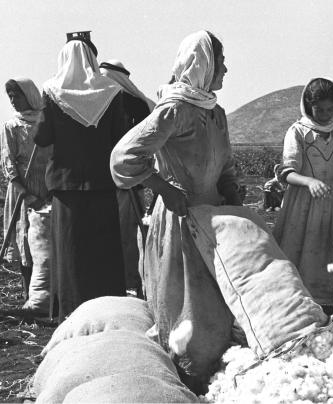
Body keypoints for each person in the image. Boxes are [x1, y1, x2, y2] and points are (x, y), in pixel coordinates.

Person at [111, 31, 240, 392]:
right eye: (221, 60)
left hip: (212, 219)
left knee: (216, 305)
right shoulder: (175, 111)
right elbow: (124, 157)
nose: (226, 68)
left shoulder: (216, 113)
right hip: (180, 221)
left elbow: (225, 163)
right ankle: (180, 384)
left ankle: (211, 378)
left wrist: (230, 191)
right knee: (187, 309)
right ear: (204, 64)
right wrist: (164, 188)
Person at [33, 36, 129, 322]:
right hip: (101, 182)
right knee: (102, 248)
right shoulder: (111, 91)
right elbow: (120, 137)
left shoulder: (52, 92)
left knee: (70, 251)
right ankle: (108, 311)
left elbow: (42, 136)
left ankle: (71, 312)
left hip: (67, 185)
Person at [273, 77, 333, 313]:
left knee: (327, 251)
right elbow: (287, 172)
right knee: (299, 251)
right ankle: (296, 305)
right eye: (319, 110)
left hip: (330, 203)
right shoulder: (297, 131)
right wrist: (309, 182)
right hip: (302, 202)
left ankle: (326, 306)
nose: (325, 115)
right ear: (308, 106)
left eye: (330, 110)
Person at [100, 59, 156, 294]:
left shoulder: (133, 104)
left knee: (127, 233)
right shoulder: (139, 102)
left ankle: (130, 282)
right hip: (121, 179)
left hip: (126, 180)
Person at [1, 78, 52, 301]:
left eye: (16, 96)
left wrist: (51, 190)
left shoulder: (46, 123)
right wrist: (24, 192)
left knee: (45, 241)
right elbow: (8, 162)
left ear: (29, 95)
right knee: (25, 243)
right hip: (22, 190)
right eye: (10, 97)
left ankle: (48, 296)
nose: (12, 101)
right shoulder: (11, 127)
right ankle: (28, 297)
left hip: (48, 187)